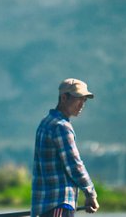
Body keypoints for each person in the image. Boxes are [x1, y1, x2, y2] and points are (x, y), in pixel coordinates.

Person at [31, 78, 100, 217]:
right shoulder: (61, 126)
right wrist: (90, 193)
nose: (82, 104)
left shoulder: (46, 122)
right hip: (59, 203)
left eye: (84, 100)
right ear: (64, 98)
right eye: (78, 99)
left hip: (44, 205)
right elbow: (74, 165)